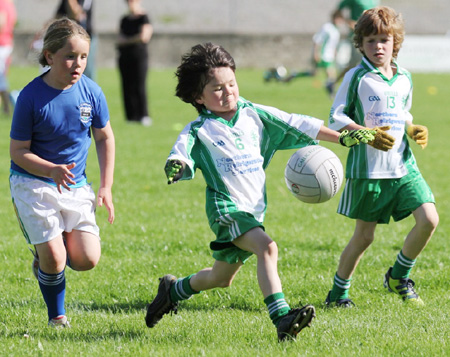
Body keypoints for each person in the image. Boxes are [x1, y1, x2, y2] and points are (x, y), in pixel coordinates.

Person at [144, 42, 382, 341]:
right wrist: (176, 166)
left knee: (221, 278)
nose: (228, 91)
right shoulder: (198, 130)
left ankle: (172, 290)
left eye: (231, 83)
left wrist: (343, 139)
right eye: (217, 88)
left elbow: (297, 123)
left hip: (254, 209)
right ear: (197, 97)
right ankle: (282, 317)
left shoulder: (253, 114)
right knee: (267, 247)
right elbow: (181, 153)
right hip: (227, 209)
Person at [325, 6, 439, 308]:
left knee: (429, 219)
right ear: (360, 43)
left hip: (403, 167)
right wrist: (365, 133)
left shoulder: (404, 77)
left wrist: (413, 128)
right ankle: (338, 293)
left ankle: (399, 276)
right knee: (364, 237)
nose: (378, 47)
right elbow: (336, 116)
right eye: (371, 40)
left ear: (395, 43)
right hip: (369, 171)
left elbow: (403, 113)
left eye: (384, 40)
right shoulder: (356, 77)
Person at [9, 17, 115, 328]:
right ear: (49, 56)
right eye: (70, 56)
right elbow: (17, 152)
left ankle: (44, 259)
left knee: (86, 259)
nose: (77, 63)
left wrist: (106, 186)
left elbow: (105, 137)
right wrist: (50, 169)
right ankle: (57, 317)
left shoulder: (91, 92)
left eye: (83, 56)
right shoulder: (30, 97)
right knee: (56, 259)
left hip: (74, 185)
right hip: (33, 183)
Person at [284, 9, 345, 96]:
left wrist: (334, 51)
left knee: (314, 73)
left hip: (329, 55)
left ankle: (295, 74)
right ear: (334, 18)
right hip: (323, 55)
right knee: (331, 75)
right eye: (338, 19)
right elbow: (317, 40)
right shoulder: (327, 27)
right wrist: (316, 53)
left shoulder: (336, 30)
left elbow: (332, 43)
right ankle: (332, 93)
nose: (340, 21)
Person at [327, 0, 379, 95]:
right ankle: (338, 85)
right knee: (355, 64)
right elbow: (338, 11)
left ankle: (371, 89)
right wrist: (349, 22)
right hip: (357, 37)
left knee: (370, 62)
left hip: (371, 36)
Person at [116, 0, 153, 126]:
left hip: (139, 56)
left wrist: (127, 40)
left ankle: (143, 115)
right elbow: (119, 39)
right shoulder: (124, 19)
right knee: (126, 86)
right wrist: (132, 39)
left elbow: (144, 37)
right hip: (124, 57)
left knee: (139, 85)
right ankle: (130, 116)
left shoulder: (144, 18)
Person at [56, 0, 97, 81]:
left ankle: (88, 92)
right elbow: (58, 16)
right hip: (68, 38)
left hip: (85, 38)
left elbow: (76, 13)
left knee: (85, 71)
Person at [0, 0, 16, 115]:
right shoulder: (9, 3)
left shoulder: (2, 3)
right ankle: (6, 108)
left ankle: (7, 108)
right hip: (6, 43)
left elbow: (1, 23)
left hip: (1, 44)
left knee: (1, 78)